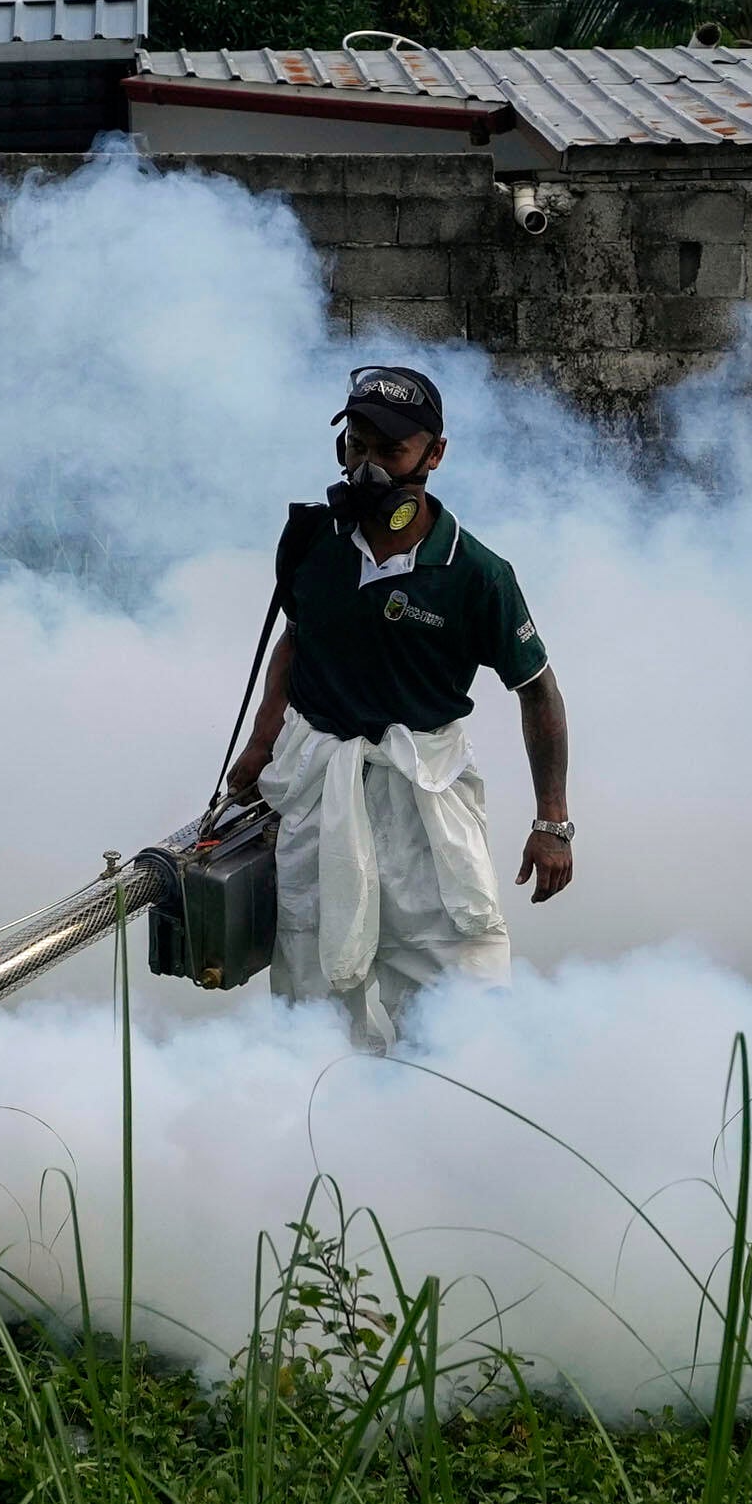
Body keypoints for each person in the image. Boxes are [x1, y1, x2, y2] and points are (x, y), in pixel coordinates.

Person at [222, 363, 573, 1052]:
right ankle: (331, 1135)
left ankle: (446, 1127)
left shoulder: (477, 573)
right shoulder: (312, 544)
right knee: (314, 992)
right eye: (356, 444)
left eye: (389, 451)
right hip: (321, 790)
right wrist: (261, 745)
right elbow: (296, 638)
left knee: (458, 997)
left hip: (425, 799)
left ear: (433, 455)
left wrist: (552, 822)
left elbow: (538, 690)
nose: (366, 466)